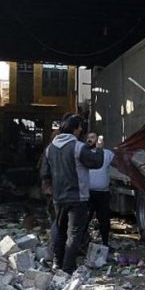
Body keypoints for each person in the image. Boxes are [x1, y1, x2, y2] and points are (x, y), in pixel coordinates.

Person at [40, 114, 105, 272]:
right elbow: (96, 162)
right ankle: (68, 267)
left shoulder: (50, 149)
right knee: (74, 233)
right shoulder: (77, 147)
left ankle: (57, 263)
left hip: (58, 198)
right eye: (80, 127)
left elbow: (44, 173)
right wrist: (99, 148)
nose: (81, 130)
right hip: (78, 197)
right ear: (76, 129)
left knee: (59, 230)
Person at [86, 132, 114, 247]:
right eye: (88, 138)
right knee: (85, 219)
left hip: (103, 194)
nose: (90, 140)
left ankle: (105, 243)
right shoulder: (85, 153)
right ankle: (82, 243)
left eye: (92, 137)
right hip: (88, 193)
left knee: (104, 220)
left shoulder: (108, 154)